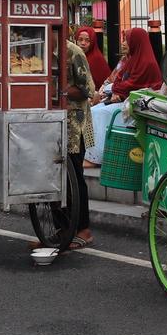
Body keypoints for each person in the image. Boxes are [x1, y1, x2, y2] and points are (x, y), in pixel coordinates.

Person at [89, 28, 162, 166]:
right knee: (94, 110)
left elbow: (130, 85)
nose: (123, 43)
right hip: (124, 101)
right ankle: (92, 155)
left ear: (136, 43)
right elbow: (117, 81)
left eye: (127, 40)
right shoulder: (129, 60)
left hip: (137, 107)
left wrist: (118, 90)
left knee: (97, 112)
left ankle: (96, 158)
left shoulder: (147, 63)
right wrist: (117, 90)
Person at [62, 30, 94, 249]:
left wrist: (61, 90)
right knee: (57, 178)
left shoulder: (74, 53)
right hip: (52, 121)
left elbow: (87, 89)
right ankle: (62, 228)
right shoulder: (42, 49)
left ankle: (83, 230)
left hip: (75, 124)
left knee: (76, 177)